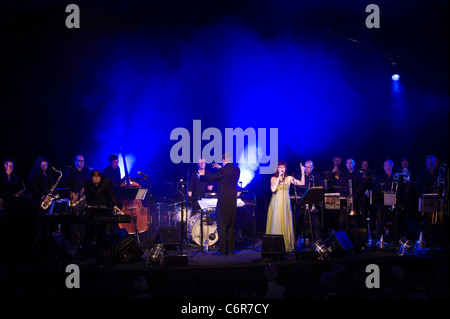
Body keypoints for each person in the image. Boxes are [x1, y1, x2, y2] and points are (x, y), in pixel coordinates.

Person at [199, 153, 240, 256]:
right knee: (231, 225)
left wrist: (201, 177)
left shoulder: (223, 171)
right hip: (233, 201)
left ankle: (222, 251)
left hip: (223, 201)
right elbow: (227, 172)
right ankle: (230, 250)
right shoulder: (237, 170)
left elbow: (210, 178)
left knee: (221, 225)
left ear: (223, 160)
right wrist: (220, 167)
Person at [266, 161, 305, 253]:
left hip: (286, 204)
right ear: (277, 168)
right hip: (276, 204)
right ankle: (275, 246)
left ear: (285, 168)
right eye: (279, 167)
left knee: (286, 222)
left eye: (283, 167)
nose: (281, 168)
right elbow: (273, 189)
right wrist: (278, 177)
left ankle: (286, 245)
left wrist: (302, 172)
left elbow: (302, 183)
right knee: (277, 223)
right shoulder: (273, 178)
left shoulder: (289, 178)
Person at [82, 170, 121, 261]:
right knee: (89, 232)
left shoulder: (106, 181)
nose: (96, 185)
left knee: (102, 232)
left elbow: (111, 194)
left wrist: (114, 205)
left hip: (104, 209)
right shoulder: (87, 183)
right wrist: (91, 207)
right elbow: (88, 198)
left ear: (101, 179)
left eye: (97, 183)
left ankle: (100, 253)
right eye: (94, 184)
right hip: (92, 209)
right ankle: (85, 254)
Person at [294, 160, 323, 243]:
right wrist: (303, 196)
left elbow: (321, 186)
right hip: (303, 202)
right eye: (306, 167)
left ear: (312, 167)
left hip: (313, 202)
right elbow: (295, 188)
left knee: (316, 222)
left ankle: (317, 241)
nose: (307, 169)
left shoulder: (316, 174)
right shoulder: (299, 174)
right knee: (298, 220)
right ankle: (296, 239)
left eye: (309, 167)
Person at [337, 158, 363, 231]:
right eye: (348, 163)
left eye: (351, 163)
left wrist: (353, 198)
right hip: (344, 201)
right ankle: (341, 237)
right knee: (341, 220)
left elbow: (360, 188)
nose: (349, 164)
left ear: (354, 164)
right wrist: (346, 197)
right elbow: (339, 187)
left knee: (356, 221)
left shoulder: (358, 174)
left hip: (355, 201)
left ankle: (356, 237)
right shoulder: (342, 174)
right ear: (346, 164)